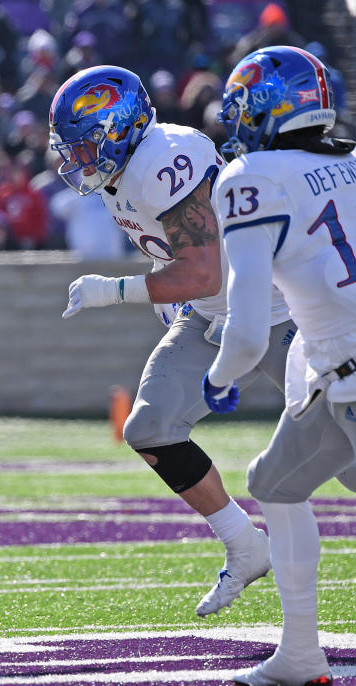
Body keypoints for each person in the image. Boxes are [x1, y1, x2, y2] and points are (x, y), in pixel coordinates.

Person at [49, 65, 294, 618]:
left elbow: (203, 271)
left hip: (277, 307)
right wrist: (166, 290)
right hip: (211, 315)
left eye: (86, 148)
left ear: (119, 129)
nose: (77, 163)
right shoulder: (123, 174)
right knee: (151, 429)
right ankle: (245, 545)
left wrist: (115, 291)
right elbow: (190, 269)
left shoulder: (162, 158)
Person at [203, 45, 356, 686]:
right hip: (333, 373)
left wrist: (216, 380)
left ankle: (300, 655)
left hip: (344, 370)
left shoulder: (250, 178)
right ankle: (298, 655)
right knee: (275, 481)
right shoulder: (350, 161)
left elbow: (243, 333)